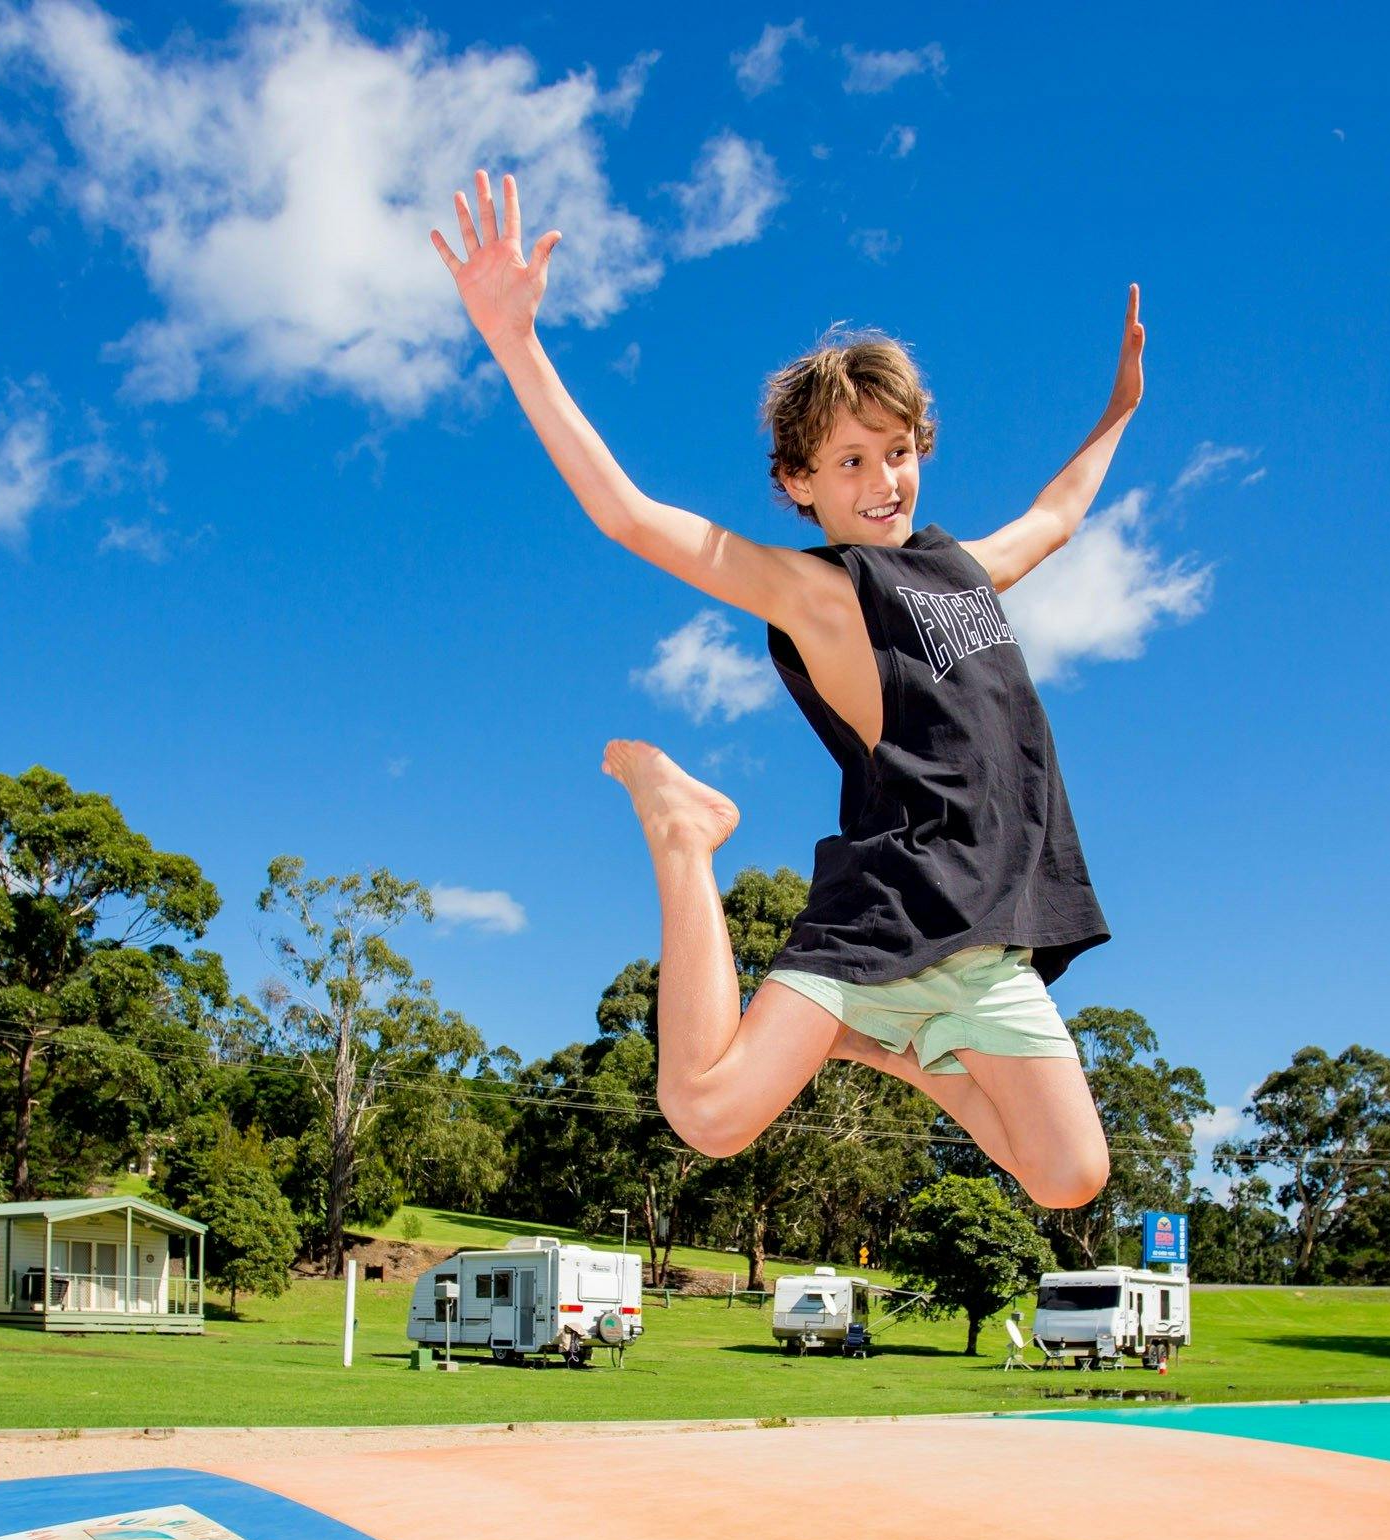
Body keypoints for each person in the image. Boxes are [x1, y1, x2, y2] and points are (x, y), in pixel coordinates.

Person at [434, 170, 1138, 1209]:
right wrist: (516, 343)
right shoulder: (819, 592)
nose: (883, 480)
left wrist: (1119, 410)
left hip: (989, 933)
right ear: (799, 484)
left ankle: (900, 1051)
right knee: (708, 1113)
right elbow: (630, 515)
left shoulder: (968, 572)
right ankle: (683, 829)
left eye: (897, 453)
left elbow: (1061, 514)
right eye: (850, 462)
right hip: (891, 910)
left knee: (1073, 1178)